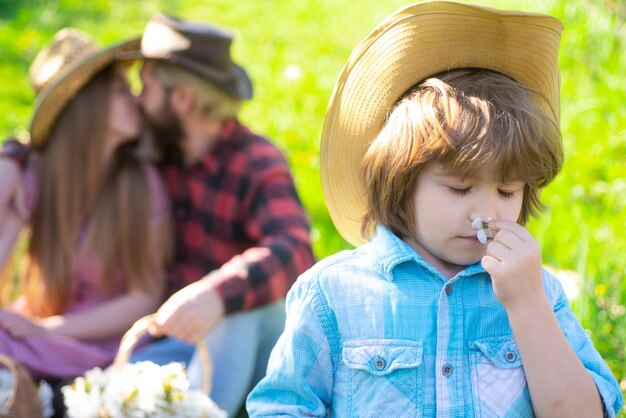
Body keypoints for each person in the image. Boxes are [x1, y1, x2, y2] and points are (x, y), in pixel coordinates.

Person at [247, 2, 624, 417]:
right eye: (460, 189)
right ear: (402, 181)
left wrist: (528, 305)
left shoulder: (537, 293)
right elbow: (282, 407)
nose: (486, 213)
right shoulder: (332, 294)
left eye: (506, 190)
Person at [124, 13, 315, 416]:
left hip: (245, 348)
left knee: (239, 310)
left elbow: (294, 249)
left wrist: (216, 294)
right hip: (173, 343)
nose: (139, 99)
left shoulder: (256, 161)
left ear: (182, 99)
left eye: (147, 87)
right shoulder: (160, 155)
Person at [0, 29, 171, 381]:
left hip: (98, 346)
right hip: (34, 333)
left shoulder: (139, 184)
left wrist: (49, 329)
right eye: (122, 91)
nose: (136, 100)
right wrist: (9, 174)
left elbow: (145, 296)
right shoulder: (38, 177)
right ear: (88, 105)